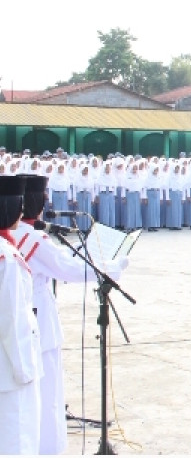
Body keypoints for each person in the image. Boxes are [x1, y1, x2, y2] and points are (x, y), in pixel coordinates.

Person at [14, 174, 128, 454]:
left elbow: (59, 263)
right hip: (38, 323)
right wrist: (115, 266)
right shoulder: (34, 238)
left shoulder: (16, 233)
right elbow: (72, 270)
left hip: (21, 319)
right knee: (47, 395)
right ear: (38, 204)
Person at [0, 175, 42, 454]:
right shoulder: (7, 257)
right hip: (10, 370)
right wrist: (25, 370)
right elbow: (12, 320)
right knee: (18, 438)